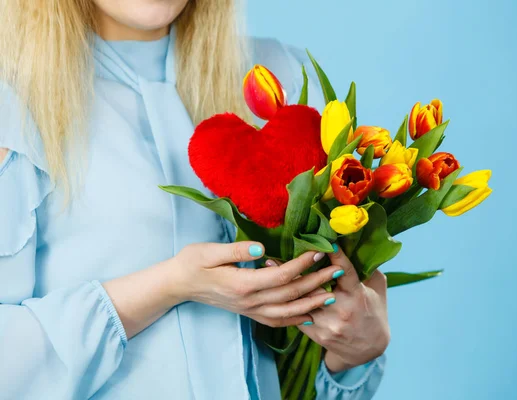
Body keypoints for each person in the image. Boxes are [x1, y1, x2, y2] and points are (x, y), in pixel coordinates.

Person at [0, 1, 390, 399]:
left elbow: (306, 355)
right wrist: (168, 286)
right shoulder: (11, 99)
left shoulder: (277, 76)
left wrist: (354, 351)